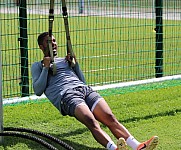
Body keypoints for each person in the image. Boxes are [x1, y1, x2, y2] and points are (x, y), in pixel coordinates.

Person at [31, 32, 159, 150]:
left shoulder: (66, 60)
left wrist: (75, 65)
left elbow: (82, 81)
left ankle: (138, 146)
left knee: (110, 117)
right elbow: (38, 90)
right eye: (49, 42)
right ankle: (114, 148)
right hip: (66, 96)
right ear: (41, 47)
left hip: (84, 90)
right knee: (91, 121)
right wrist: (46, 68)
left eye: (54, 41)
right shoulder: (38, 66)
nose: (53, 44)